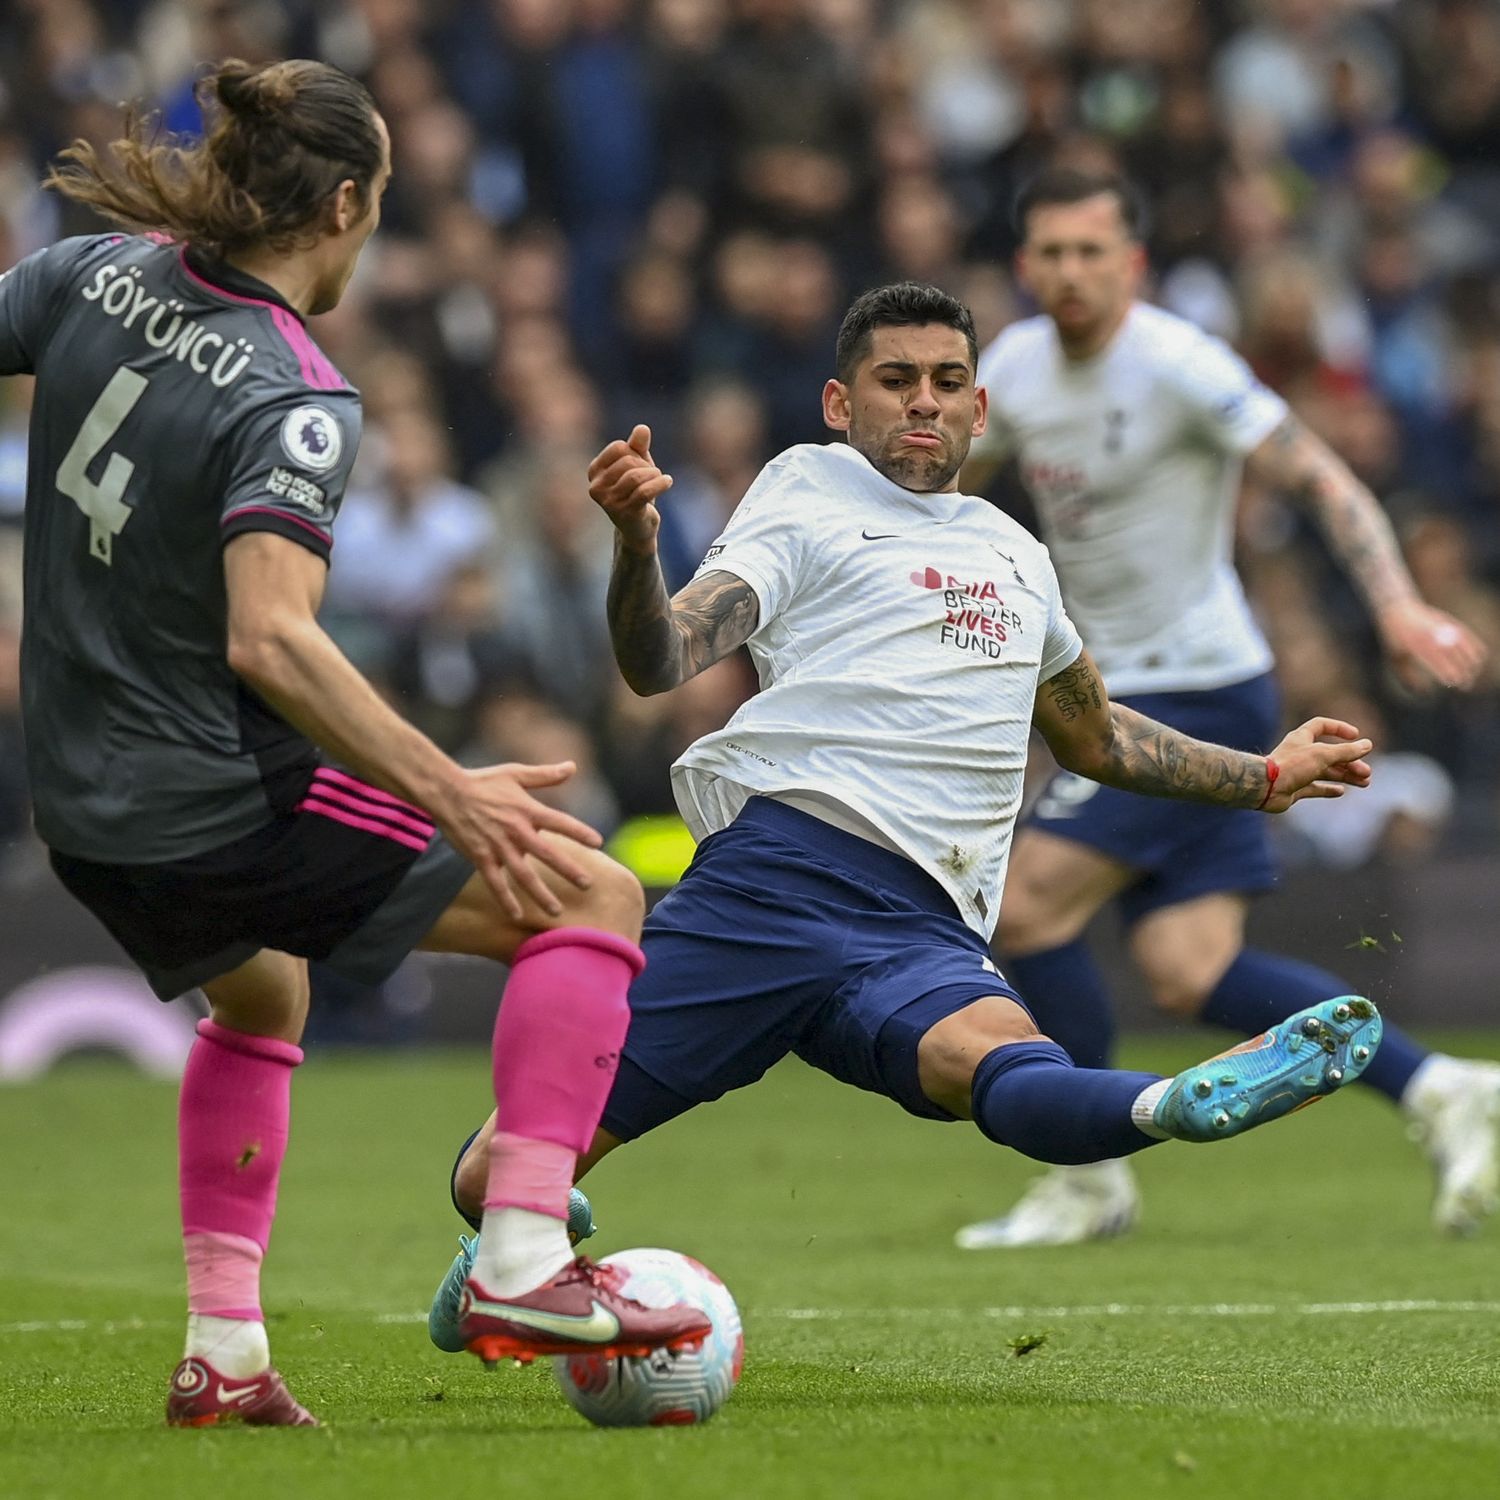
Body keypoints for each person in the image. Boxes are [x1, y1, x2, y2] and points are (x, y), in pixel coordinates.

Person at [426, 281, 1385, 1352]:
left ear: (981, 412)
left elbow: (1098, 738)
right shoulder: (805, 492)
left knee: (1012, 1071)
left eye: (948, 382)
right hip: (772, 887)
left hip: (921, 921)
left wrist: (1264, 775)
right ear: (841, 402)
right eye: (896, 381)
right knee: (487, 1176)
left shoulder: (1016, 556)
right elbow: (661, 659)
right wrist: (634, 542)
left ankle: (1171, 1104)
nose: (924, 402)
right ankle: (515, 1237)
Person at [0, 58, 709, 1429]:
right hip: (200, 792)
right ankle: (521, 1259)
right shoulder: (295, 394)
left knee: (262, 998)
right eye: (379, 199)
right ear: (339, 204)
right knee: (591, 892)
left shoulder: (98, 272)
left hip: (73, 801)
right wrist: (450, 790)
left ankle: (228, 1354)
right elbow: (274, 637)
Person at [953, 167, 1498, 1251]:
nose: (1069, 272)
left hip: (1196, 684)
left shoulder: (1181, 366)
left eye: (1090, 252)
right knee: (1188, 968)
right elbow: (950, 497)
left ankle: (1086, 1170)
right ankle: (1441, 1086)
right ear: (1026, 266)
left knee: (1026, 907)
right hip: (1109, 685)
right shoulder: (1010, 369)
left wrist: (1395, 607)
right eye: (1050, 253)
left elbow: (1323, 477)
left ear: (1132, 264)